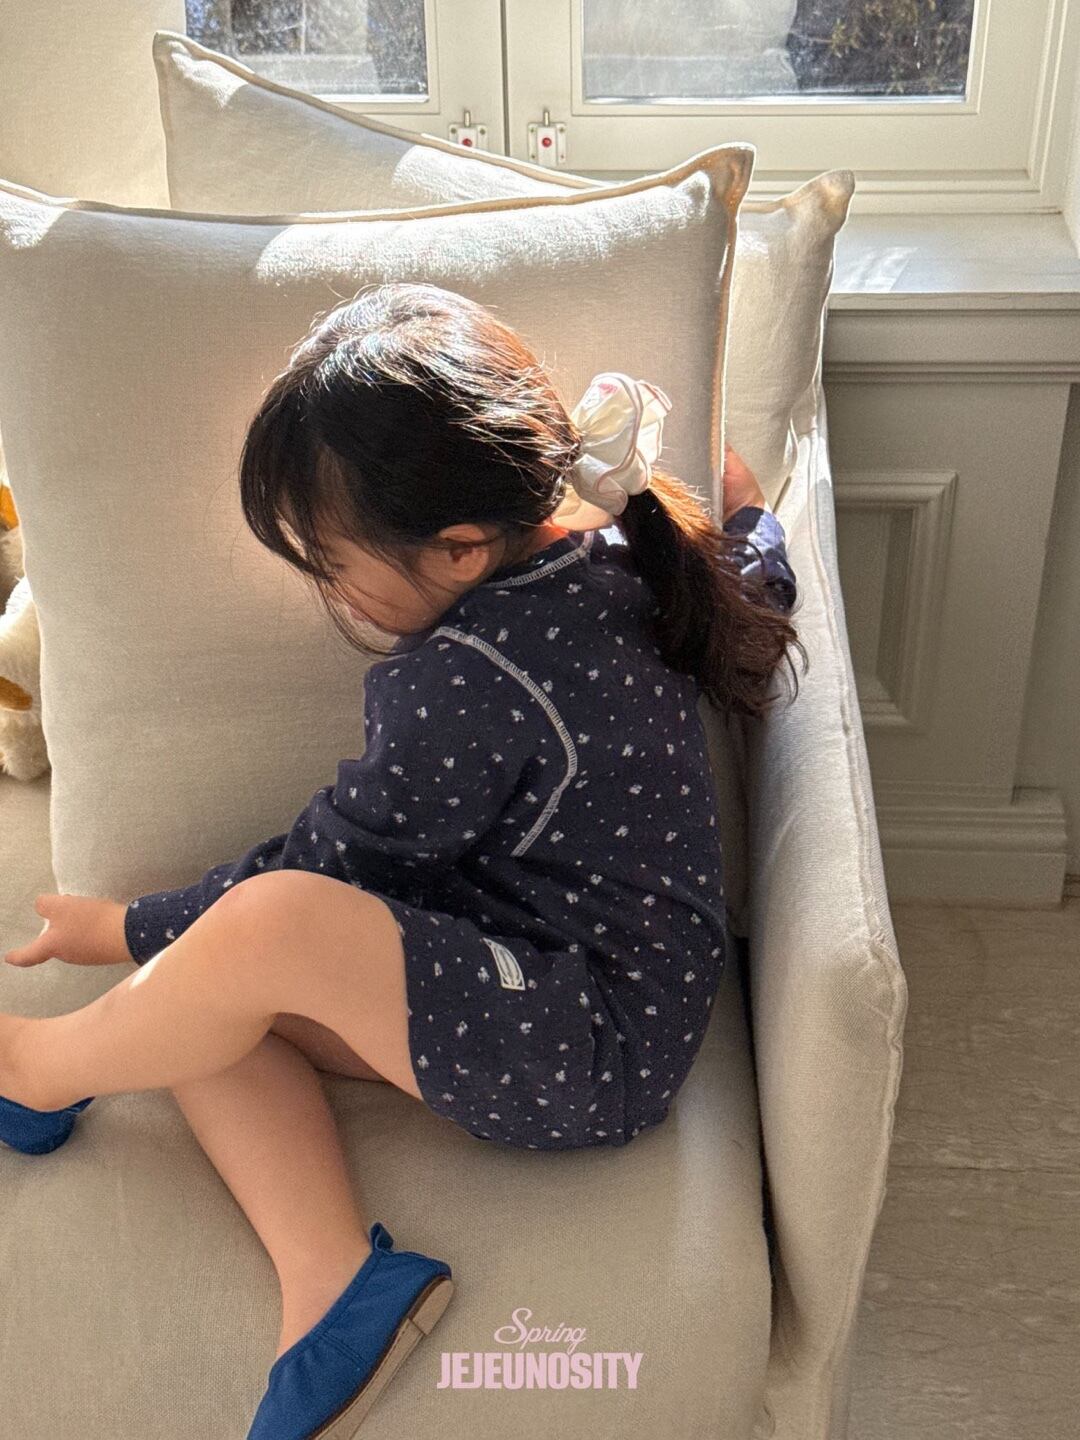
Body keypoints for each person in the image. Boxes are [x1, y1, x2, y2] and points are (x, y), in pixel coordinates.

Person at [0, 282, 802, 1436]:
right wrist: (751, 508)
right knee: (194, 1003)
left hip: (586, 1041)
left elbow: (336, 867)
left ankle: (33, 1069)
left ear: (463, 548)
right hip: (533, 973)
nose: (328, 592)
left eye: (332, 566)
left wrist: (128, 923)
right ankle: (334, 1283)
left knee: (254, 929)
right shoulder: (629, 553)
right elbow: (756, 573)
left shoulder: (466, 682)